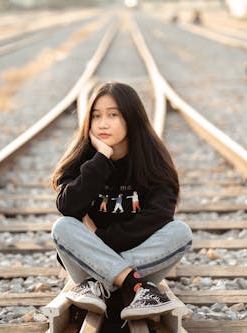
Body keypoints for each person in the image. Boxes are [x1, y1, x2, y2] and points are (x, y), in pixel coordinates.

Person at [50, 82, 193, 322]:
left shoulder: (152, 160)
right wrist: (101, 159)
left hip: (105, 260)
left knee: (181, 232)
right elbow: (67, 206)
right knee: (62, 228)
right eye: (96, 116)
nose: (103, 123)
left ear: (131, 118)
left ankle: (102, 284)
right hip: (91, 266)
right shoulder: (83, 158)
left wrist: (101, 240)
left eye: (112, 115)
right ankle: (133, 284)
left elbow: (159, 217)